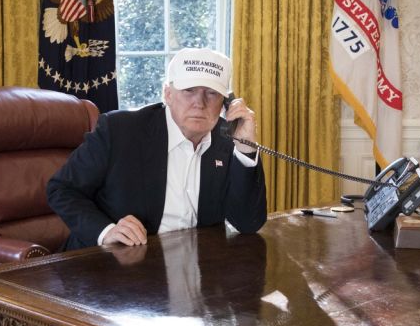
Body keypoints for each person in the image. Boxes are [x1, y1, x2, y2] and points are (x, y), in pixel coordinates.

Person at [47, 47, 267, 250]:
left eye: (211, 93)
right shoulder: (119, 131)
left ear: (226, 102)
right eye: (189, 90)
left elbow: (247, 223)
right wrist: (106, 231)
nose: (199, 103)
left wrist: (245, 149)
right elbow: (62, 189)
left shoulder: (227, 139)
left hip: (193, 267)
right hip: (111, 265)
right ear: (168, 94)